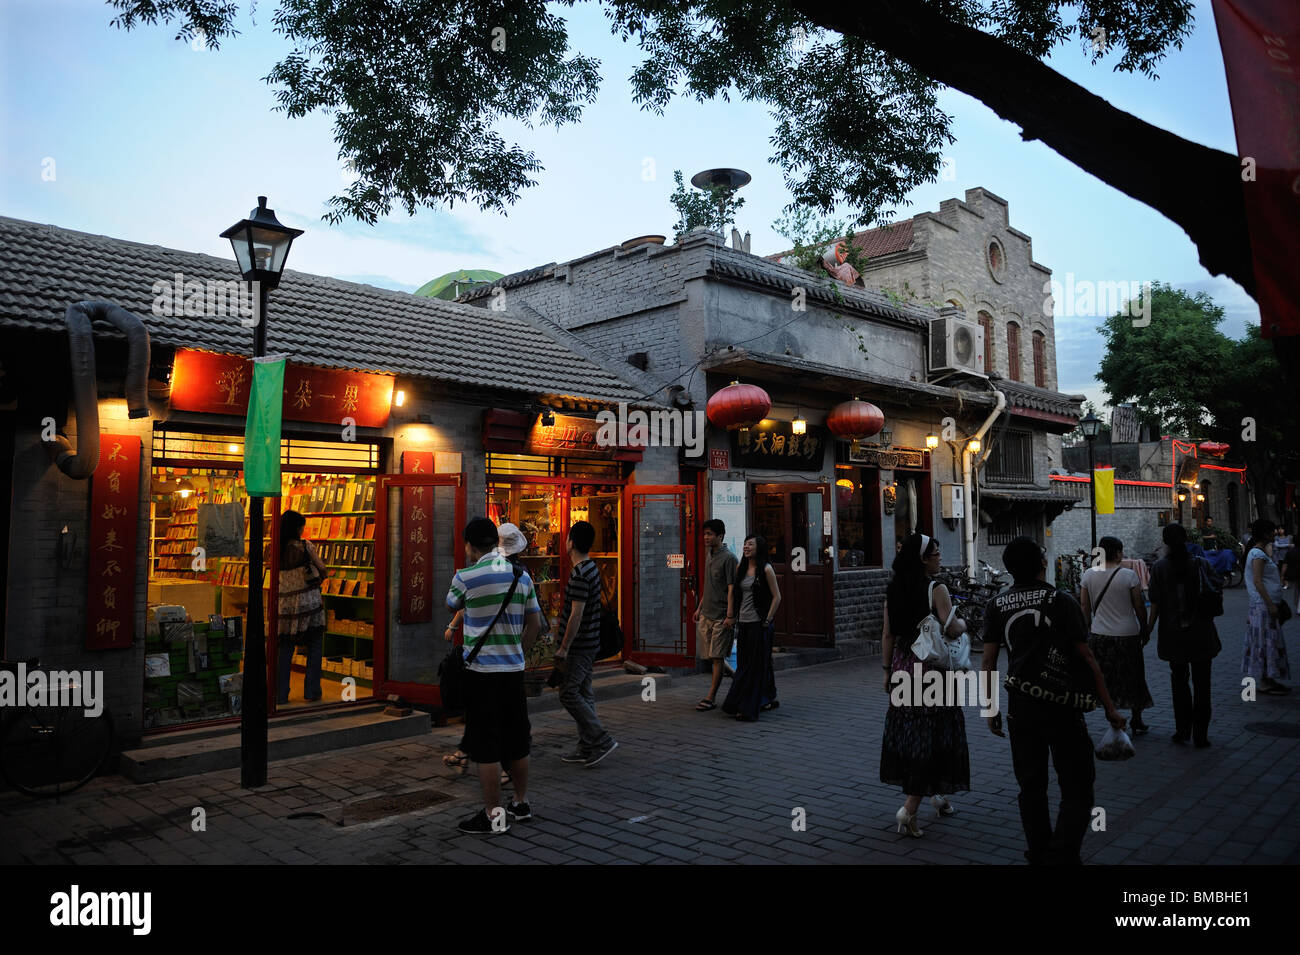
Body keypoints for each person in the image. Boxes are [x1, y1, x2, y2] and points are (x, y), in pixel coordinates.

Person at [982, 537, 1125, 865]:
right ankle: (1063, 853)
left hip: (1021, 708)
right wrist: (1110, 708)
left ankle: (1039, 851)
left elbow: (988, 662)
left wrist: (990, 708)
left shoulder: (996, 605)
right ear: (1042, 563)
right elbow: (1087, 658)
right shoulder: (1062, 601)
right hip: (1062, 708)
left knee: (1031, 786)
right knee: (1077, 785)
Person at [445, 517, 543, 834]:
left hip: (482, 672)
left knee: (486, 744)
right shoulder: (521, 576)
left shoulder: (465, 576)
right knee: (517, 739)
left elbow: (452, 604)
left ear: (470, 545)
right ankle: (520, 802)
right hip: (513, 671)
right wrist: (518, 651)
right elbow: (535, 624)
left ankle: (492, 815)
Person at [880, 533, 969, 838]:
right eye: (935, 552)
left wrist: (886, 671)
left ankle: (938, 795)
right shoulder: (937, 588)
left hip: (903, 666)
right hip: (931, 670)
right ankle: (909, 809)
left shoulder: (893, 590)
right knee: (934, 734)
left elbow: (888, 635)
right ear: (922, 558)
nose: (939, 557)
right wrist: (964, 624)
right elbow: (951, 627)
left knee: (913, 731)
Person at [1148, 523, 1223, 745]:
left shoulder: (1160, 568)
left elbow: (1154, 600)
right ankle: (1201, 734)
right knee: (1203, 684)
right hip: (1201, 634)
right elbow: (1216, 588)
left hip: (1173, 635)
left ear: (1166, 542)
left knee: (1178, 682)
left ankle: (1182, 730)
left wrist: (1148, 629)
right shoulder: (1201, 564)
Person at [555, 520, 619, 767]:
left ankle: (601, 739)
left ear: (571, 542)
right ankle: (587, 746)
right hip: (590, 642)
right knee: (583, 691)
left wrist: (564, 647)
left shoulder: (580, 574)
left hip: (581, 645)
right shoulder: (591, 568)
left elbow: (576, 614)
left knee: (568, 693)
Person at [1080, 536, 1152, 734]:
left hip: (1100, 634)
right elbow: (1139, 606)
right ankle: (1137, 719)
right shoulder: (1129, 576)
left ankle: (1113, 718)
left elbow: (1084, 606)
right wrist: (1144, 628)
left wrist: (1086, 628)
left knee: (1104, 678)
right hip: (1128, 634)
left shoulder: (1088, 575)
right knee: (1134, 677)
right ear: (1119, 552)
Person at [722, 535, 782, 721]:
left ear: (759, 548)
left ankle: (747, 708)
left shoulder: (766, 569)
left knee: (753, 667)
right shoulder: (741, 568)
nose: (746, 547)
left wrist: (768, 619)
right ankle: (767, 697)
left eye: (750, 544)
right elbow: (733, 593)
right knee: (748, 664)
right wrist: (731, 615)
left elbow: (777, 597)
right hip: (744, 624)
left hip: (760, 624)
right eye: (745, 544)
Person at [277, 509, 327, 705]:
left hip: (286, 605)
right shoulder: (305, 546)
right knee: (314, 645)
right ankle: (312, 691)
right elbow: (321, 569)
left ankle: (280, 693)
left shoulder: (275, 548)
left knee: (285, 648)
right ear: (298, 528)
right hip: (309, 602)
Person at [694, 519, 738, 712]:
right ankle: (737, 676)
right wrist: (699, 607)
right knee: (711, 656)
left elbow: (731, 588)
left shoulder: (729, 558)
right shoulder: (709, 555)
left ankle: (710, 697)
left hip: (722, 616)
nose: (706, 537)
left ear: (720, 536)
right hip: (706, 613)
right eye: (705, 534)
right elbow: (709, 584)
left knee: (717, 657)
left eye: (710, 534)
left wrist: (730, 615)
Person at [1244, 519, 1291, 695]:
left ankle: (1268, 679)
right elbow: (1257, 581)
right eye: (1272, 531)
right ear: (1265, 533)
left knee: (1267, 643)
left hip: (1262, 606)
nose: (1275, 533)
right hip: (1263, 607)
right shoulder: (1257, 554)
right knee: (1265, 643)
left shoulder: (1260, 552)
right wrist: (1270, 604)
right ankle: (1264, 681)